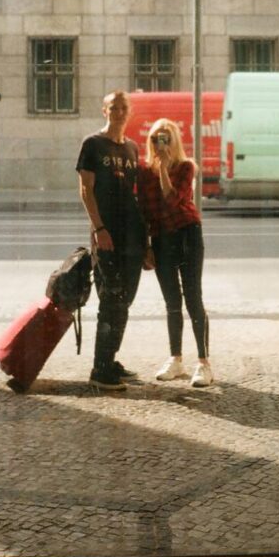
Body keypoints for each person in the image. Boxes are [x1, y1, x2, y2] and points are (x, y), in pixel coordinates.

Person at [76, 90, 147, 391]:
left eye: (124, 107)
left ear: (130, 113)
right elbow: (85, 190)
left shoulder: (132, 148)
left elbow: (136, 197)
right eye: (113, 107)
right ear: (104, 111)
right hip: (106, 235)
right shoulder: (92, 144)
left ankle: (111, 358)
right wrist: (99, 228)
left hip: (132, 236)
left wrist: (147, 245)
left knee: (124, 301)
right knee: (111, 299)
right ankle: (100, 369)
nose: (119, 112)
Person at [139, 119, 212, 388]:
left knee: (193, 297)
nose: (161, 144)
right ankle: (176, 358)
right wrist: (147, 246)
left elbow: (172, 199)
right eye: (157, 139)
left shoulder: (186, 167)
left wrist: (163, 169)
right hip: (161, 238)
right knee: (171, 300)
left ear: (175, 142)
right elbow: (144, 212)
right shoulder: (143, 172)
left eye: (167, 139)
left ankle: (204, 363)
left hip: (186, 234)